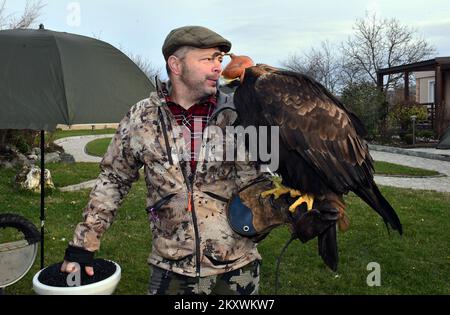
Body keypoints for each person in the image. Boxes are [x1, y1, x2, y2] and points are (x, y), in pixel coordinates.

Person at [61, 26, 265, 295]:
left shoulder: (241, 113)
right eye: (207, 59)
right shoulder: (142, 118)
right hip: (171, 272)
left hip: (238, 269)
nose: (218, 67)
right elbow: (114, 179)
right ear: (175, 65)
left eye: (219, 59)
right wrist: (83, 244)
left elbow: (263, 179)